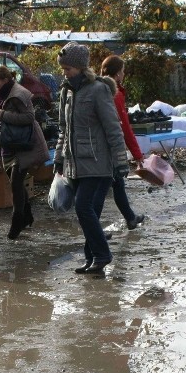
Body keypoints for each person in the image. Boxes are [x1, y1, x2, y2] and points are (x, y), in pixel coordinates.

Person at [53, 42, 127, 275]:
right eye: (63, 69)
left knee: (83, 207)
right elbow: (63, 129)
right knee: (89, 213)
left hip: (98, 162)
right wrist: (58, 157)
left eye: (68, 69)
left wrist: (120, 161)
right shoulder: (66, 92)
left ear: (81, 67)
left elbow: (113, 127)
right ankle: (92, 259)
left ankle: (102, 255)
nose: (64, 73)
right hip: (74, 162)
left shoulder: (98, 90)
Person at [0, 65, 49, 239]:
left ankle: (17, 223)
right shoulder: (1, 95)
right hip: (9, 145)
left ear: (5, 79)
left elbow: (29, 117)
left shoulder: (18, 94)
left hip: (24, 146)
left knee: (16, 183)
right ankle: (27, 215)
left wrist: (4, 115)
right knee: (15, 182)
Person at [100, 54, 145, 231]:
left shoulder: (97, 87)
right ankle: (94, 231)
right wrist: (137, 154)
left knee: (117, 183)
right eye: (123, 71)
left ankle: (130, 217)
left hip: (100, 145)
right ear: (118, 73)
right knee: (104, 187)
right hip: (108, 146)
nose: (124, 74)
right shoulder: (114, 94)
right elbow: (124, 127)